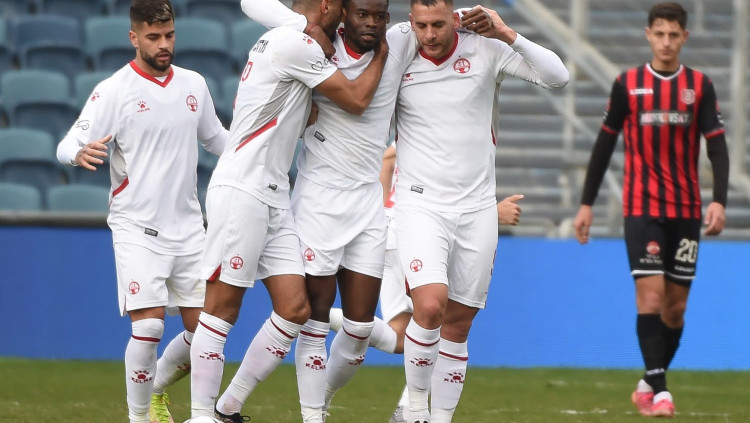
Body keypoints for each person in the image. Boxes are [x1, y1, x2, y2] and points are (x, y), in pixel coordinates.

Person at [219, 1, 424, 422]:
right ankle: (299, 413)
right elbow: (251, 2)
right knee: (311, 323)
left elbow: (442, 19)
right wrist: (304, 24)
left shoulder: (401, 40)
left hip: (367, 201)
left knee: (360, 327)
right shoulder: (316, 46)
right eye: (362, 14)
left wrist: (488, 22)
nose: (371, 23)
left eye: (379, 16)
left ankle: (315, 399)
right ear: (344, 13)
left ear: (388, 18)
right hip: (319, 200)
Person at [392, 2, 568, 422]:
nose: (429, 35)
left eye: (438, 24)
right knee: (429, 306)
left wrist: (506, 32)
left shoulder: (486, 49)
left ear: (454, 18)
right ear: (411, 21)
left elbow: (557, 77)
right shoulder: (397, 49)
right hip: (420, 204)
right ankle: (414, 410)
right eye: (421, 25)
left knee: (458, 326)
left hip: (477, 209)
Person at [55, 1, 229, 422]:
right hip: (137, 225)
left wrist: (258, 149)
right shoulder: (115, 90)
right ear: (134, 37)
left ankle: (157, 390)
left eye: (169, 35)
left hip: (189, 227)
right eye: (153, 37)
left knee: (206, 333)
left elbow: (217, 140)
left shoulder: (194, 84)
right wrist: (78, 152)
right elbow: (66, 144)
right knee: (149, 327)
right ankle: (138, 419)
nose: (163, 44)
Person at [572, 2, 728, 418]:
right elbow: (603, 145)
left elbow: (716, 144)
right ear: (648, 35)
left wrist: (719, 199)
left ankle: (648, 382)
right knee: (651, 297)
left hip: (686, 210)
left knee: (675, 309)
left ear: (684, 37)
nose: (666, 42)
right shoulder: (627, 84)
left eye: (673, 35)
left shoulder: (700, 86)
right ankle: (661, 393)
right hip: (642, 208)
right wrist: (586, 204)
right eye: (659, 33)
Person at [329, 144, 525, 423]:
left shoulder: (418, 135)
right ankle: (412, 409)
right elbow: (448, 196)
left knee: (403, 335)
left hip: (395, 229)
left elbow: (387, 158)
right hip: (417, 230)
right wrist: (492, 212)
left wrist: (383, 210)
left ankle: (321, 317)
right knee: (440, 323)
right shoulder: (445, 131)